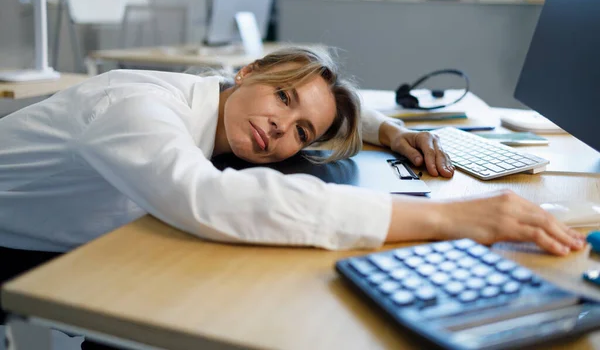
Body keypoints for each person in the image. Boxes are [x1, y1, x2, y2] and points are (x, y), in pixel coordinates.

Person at [0, 46, 584, 284]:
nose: (282, 129)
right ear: (249, 71)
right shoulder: (138, 107)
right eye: (283, 98)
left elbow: (323, 112)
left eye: (301, 131)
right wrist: (455, 220)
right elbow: (209, 201)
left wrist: (391, 130)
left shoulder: (223, 110)